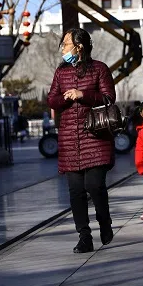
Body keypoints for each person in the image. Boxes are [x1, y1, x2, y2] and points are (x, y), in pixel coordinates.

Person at [47, 28, 116, 254]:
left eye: (66, 44)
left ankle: (104, 222)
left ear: (79, 46)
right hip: (69, 138)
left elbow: (109, 98)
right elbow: (51, 99)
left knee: (94, 185)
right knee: (76, 191)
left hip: (95, 135)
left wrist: (82, 94)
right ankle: (84, 236)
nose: (63, 49)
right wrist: (64, 99)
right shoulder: (61, 71)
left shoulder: (99, 69)